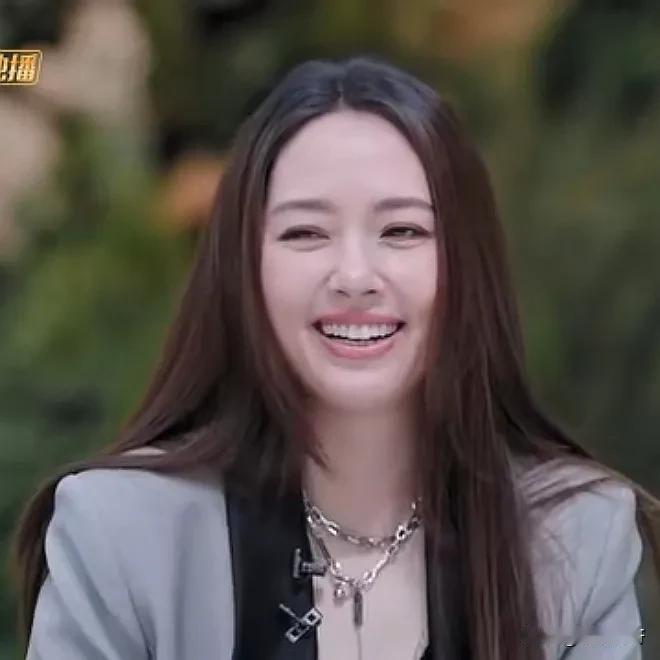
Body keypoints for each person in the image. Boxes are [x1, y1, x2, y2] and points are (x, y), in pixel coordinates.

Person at [10, 56, 658, 660]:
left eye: (402, 231)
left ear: (468, 267)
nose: (354, 276)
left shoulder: (576, 538)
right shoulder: (121, 535)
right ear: (243, 271)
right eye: (305, 233)